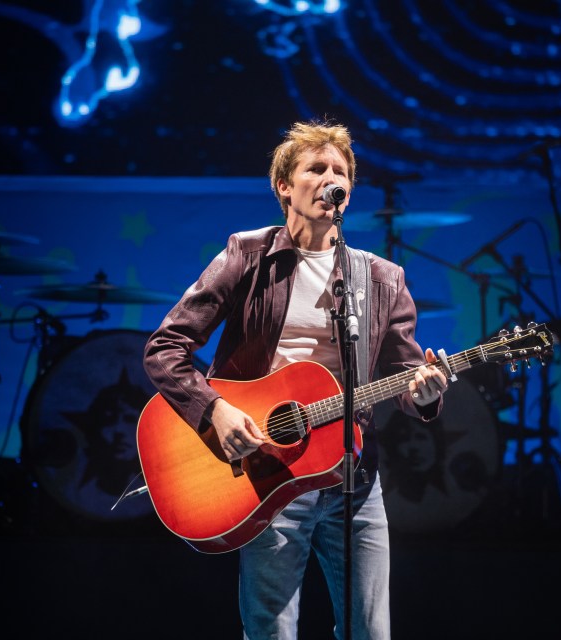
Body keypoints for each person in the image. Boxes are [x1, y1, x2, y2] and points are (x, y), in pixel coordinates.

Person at [142, 119, 450, 639]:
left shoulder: (380, 278)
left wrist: (423, 393)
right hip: (269, 469)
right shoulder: (247, 255)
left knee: (371, 632)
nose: (333, 179)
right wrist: (214, 411)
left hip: (354, 472)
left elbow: (403, 374)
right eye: (317, 168)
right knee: (271, 631)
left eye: (341, 171)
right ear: (285, 185)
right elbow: (165, 348)